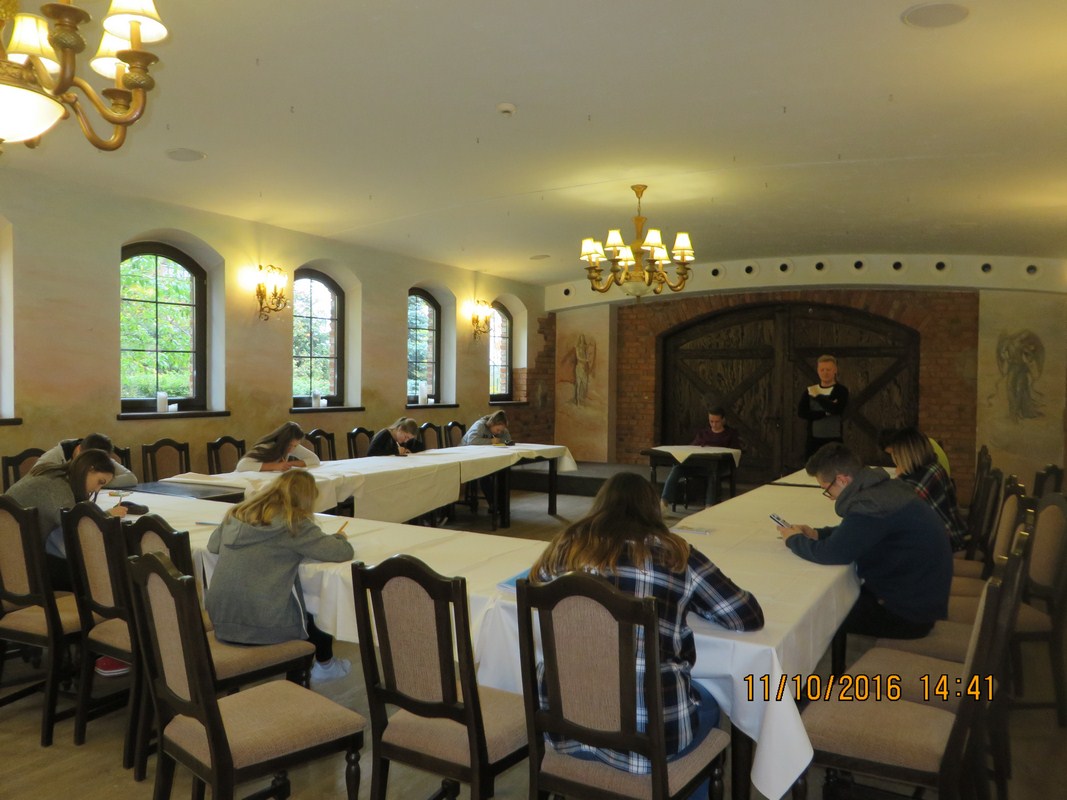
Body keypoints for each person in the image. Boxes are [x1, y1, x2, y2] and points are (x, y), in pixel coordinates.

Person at [530, 473, 764, 779]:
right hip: (649, 742)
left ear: (600, 505)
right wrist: (687, 600)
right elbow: (746, 616)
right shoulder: (676, 554)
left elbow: (536, 581)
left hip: (565, 732)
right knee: (714, 699)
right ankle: (684, 787)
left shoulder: (566, 545)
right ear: (653, 509)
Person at [777, 443, 952, 673]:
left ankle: (809, 683)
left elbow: (833, 553)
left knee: (814, 612)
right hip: (919, 597)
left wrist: (793, 540)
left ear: (842, 480)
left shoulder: (870, 504)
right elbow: (858, 532)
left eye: (827, 489)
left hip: (909, 615)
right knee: (834, 596)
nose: (829, 497)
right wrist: (817, 534)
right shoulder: (884, 488)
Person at [205, 470, 354, 683]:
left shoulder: (237, 514)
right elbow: (342, 552)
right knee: (318, 599)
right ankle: (326, 665)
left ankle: (324, 665)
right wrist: (339, 537)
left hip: (221, 618)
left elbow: (213, 545)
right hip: (264, 624)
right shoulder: (294, 523)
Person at [6, 450, 131, 677]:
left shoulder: (51, 474)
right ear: (89, 469)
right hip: (26, 573)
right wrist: (106, 517)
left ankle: (93, 647)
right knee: (101, 579)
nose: (97, 490)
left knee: (87, 572)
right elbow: (76, 531)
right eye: (100, 482)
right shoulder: (58, 489)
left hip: (11, 568)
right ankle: (110, 646)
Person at [882, 427, 967, 551]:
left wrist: (901, 475)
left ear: (905, 457)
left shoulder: (915, 485)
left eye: (896, 458)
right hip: (952, 534)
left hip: (944, 546)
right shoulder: (932, 468)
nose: (895, 463)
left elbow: (895, 508)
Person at [660, 407, 742, 510]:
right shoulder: (703, 433)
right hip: (699, 465)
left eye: (717, 422)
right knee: (677, 468)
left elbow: (736, 451)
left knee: (713, 472)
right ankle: (664, 502)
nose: (714, 424)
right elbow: (693, 448)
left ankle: (709, 506)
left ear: (723, 420)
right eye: (711, 421)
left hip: (719, 466)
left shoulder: (730, 434)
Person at [38, 433, 138, 488]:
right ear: (79, 449)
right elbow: (38, 485)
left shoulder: (99, 456)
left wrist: (98, 483)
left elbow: (131, 478)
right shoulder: (52, 458)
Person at [797, 354, 849, 459]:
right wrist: (825, 413)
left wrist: (818, 396)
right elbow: (802, 412)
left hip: (834, 439)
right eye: (822, 370)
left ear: (835, 370)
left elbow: (836, 409)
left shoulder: (841, 390)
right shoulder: (810, 391)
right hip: (813, 441)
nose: (825, 373)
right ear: (818, 370)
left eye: (828, 370)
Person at [461, 411, 513, 511]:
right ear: (492, 424)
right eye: (497, 430)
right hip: (467, 457)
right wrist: (491, 441)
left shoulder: (502, 430)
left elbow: (508, 441)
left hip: (486, 457)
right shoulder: (480, 425)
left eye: (501, 430)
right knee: (485, 475)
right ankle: (494, 504)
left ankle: (502, 505)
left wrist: (502, 439)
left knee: (503, 472)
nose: (499, 432)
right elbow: (472, 441)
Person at [237, 422, 320, 472]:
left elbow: (314, 459)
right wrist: (275, 466)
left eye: (295, 446)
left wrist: (289, 464)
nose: (291, 449)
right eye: (289, 445)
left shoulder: (293, 446)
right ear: (282, 441)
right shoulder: (267, 446)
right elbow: (242, 465)